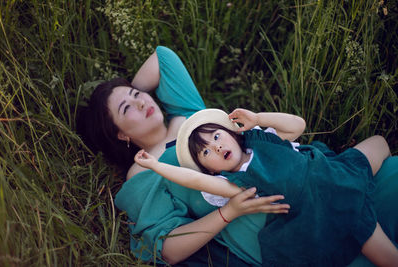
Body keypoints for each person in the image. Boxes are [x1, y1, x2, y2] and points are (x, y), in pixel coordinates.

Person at [78, 46, 398, 266]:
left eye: (138, 95)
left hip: (317, 175)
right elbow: (169, 249)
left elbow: (162, 58)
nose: (141, 102)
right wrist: (227, 212)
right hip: (281, 224)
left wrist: (122, 92)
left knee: (391, 180)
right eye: (127, 109)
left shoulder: (188, 114)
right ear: (120, 134)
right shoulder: (145, 171)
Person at [134, 108, 397, 266]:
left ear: (232, 133)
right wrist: (157, 166)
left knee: (378, 143)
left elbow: (298, 125)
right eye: (205, 152)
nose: (215, 146)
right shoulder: (234, 185)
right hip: (325, 213)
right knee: (387, 258)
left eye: (216, 136)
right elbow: (194, 180)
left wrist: (258, 116)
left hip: (339, 178)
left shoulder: (262, 139)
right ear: (211, 170)